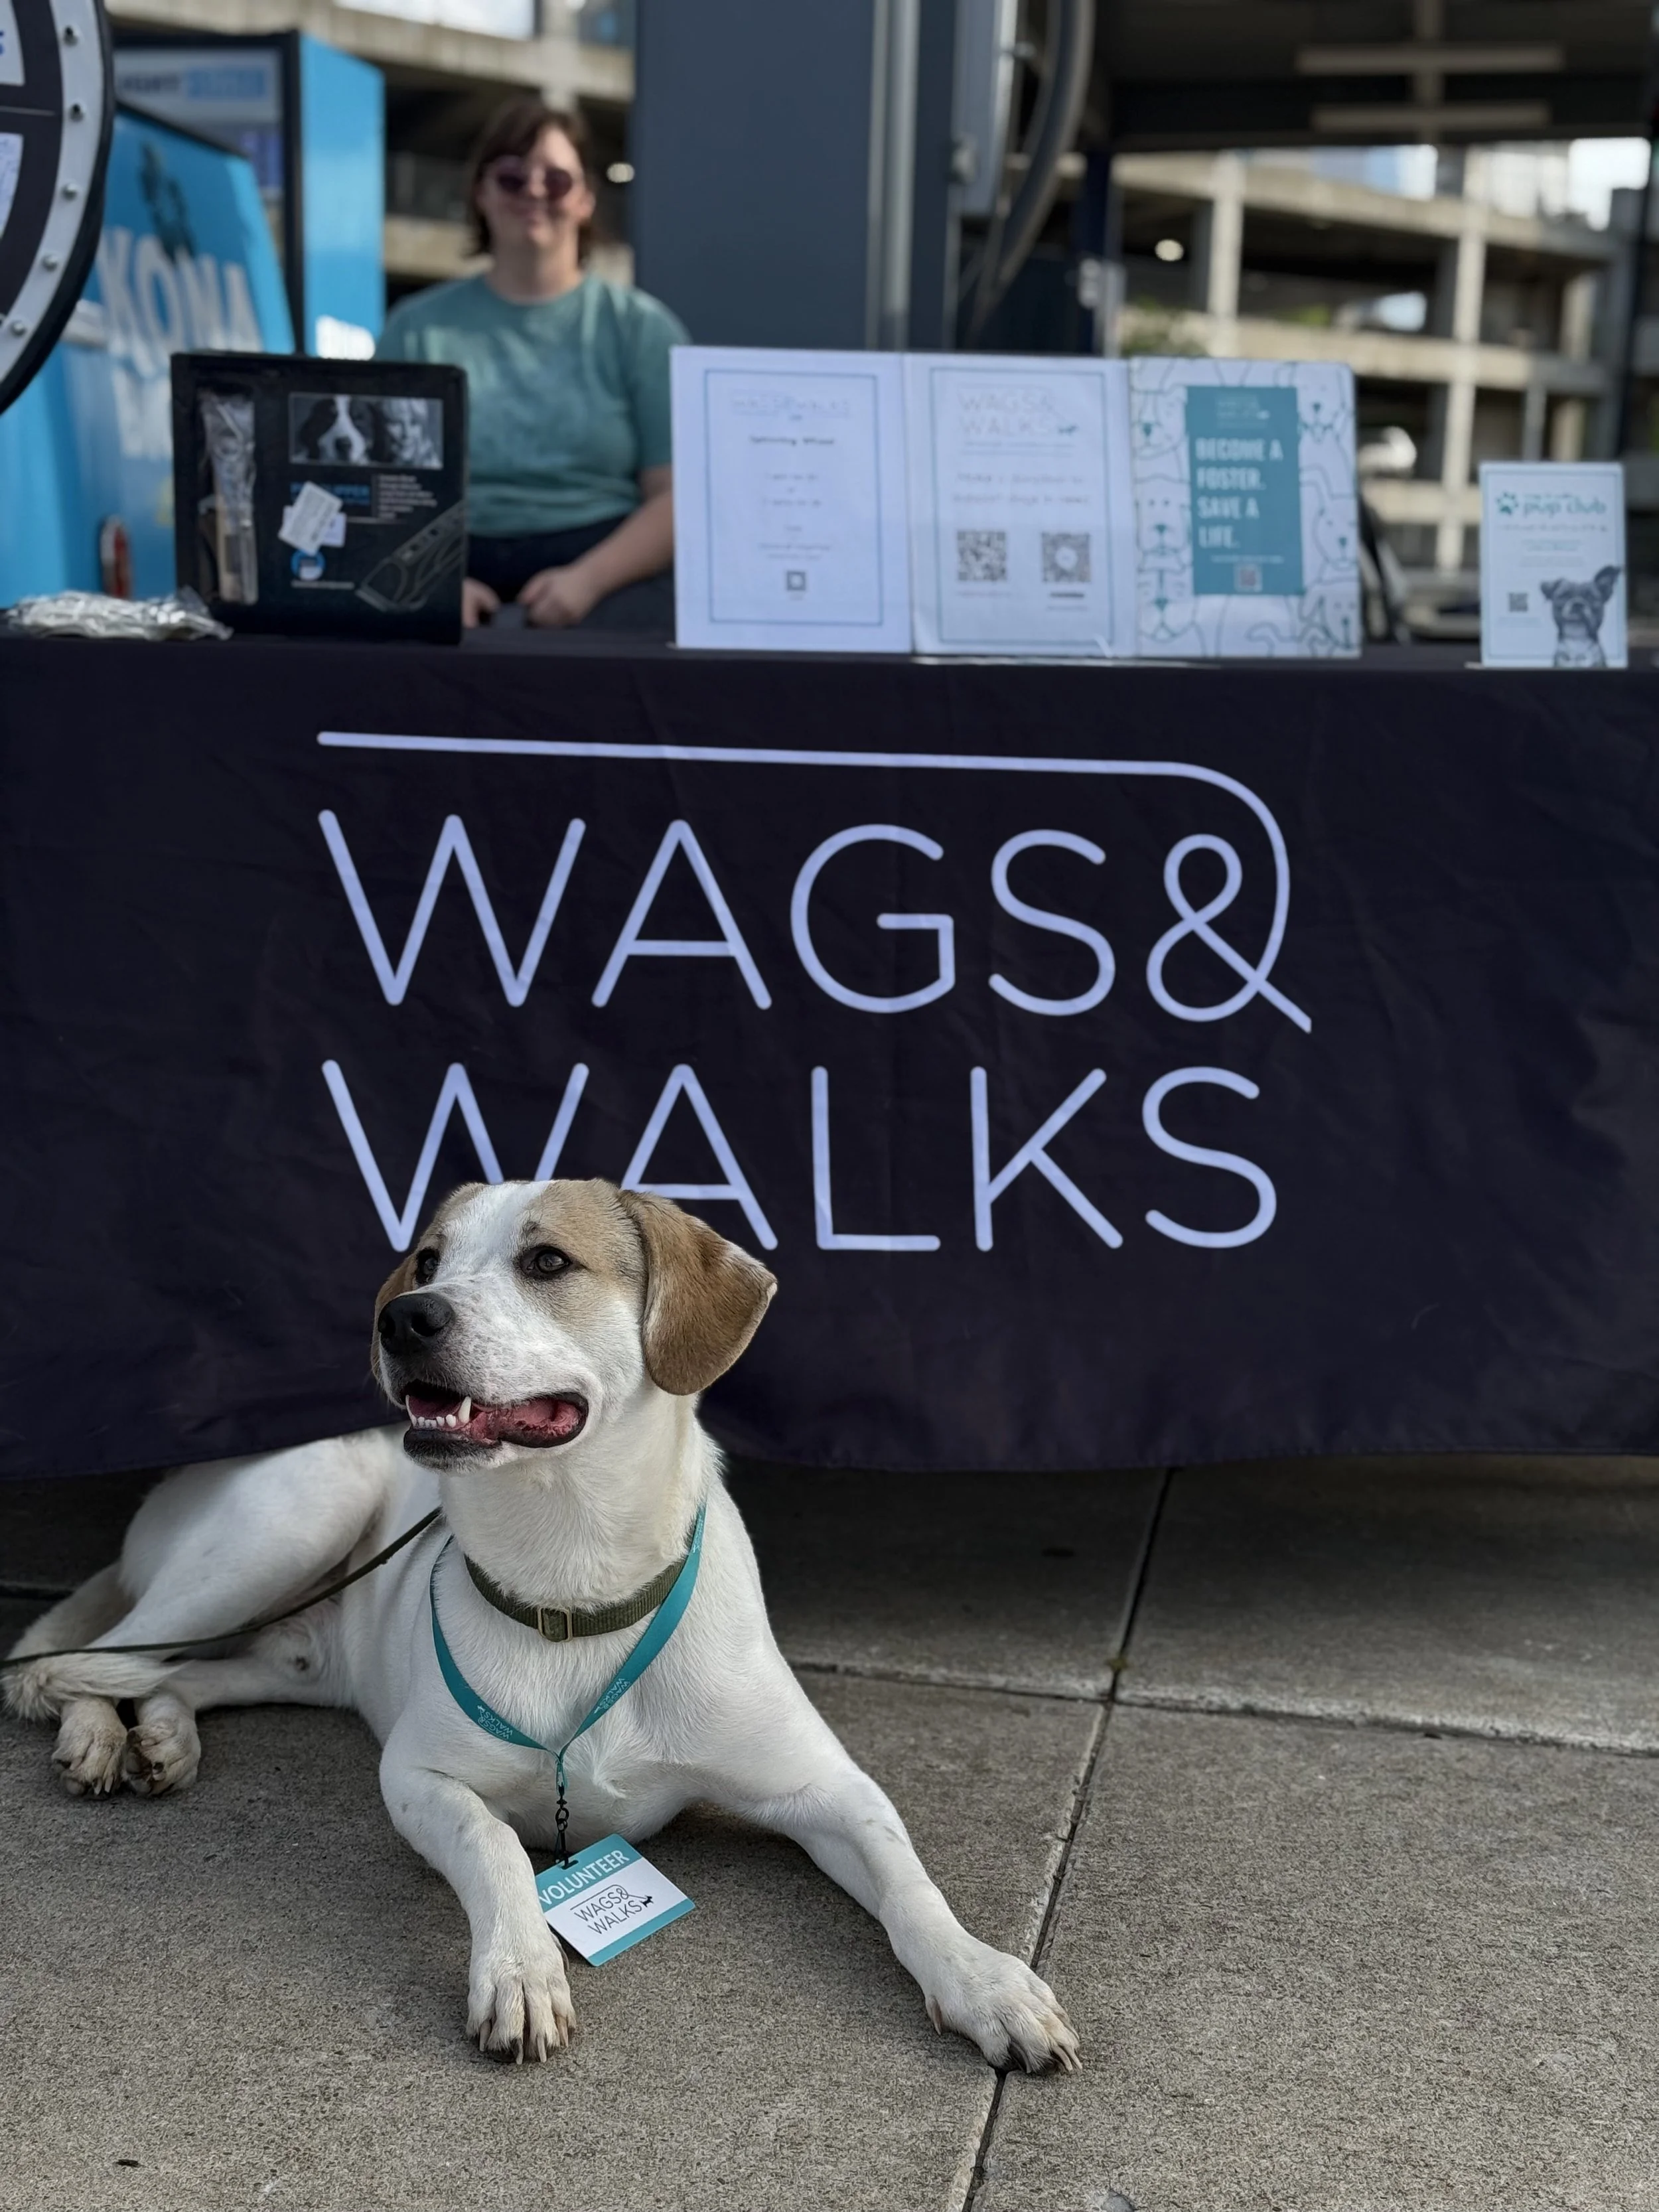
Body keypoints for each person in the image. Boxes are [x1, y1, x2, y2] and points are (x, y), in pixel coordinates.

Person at [376, 99, 684, 632]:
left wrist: (588, 581)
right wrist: (434, 580)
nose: (535, 192)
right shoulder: (415, 328)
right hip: (451, 560)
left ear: (586, 198)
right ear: (481, 191)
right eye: (512, 178)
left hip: (605, 565)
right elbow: (377, 484)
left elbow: (678, 496)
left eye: (558, 179)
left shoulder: (639, 328)